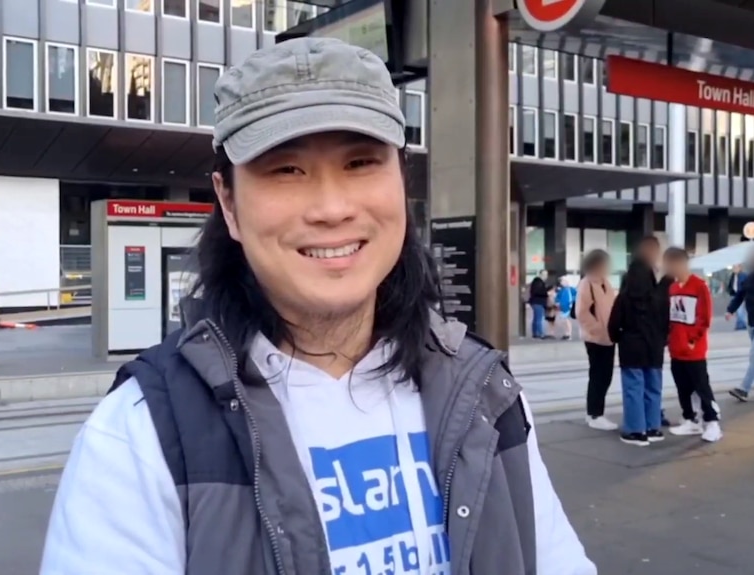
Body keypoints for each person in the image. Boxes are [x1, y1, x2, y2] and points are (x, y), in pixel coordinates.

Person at [39, 38, 596, 575]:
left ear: (401, 181)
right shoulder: (141, 437)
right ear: (228, 203)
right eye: (286, 169)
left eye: (360, 163)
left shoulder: (484, 396)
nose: (332, 208)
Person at [608, 236, 667, 446]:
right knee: (653, 387)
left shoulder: (623, 298)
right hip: (654, 348)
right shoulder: (659, 297)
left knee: (633, 387)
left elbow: (613, 325)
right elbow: (666, 323)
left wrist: (618, 338)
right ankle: (653, 428)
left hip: (631, 348)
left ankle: (635, 431)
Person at [662, 248, 722, 442]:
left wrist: (692, 340)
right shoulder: (672, 288)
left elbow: (704, 318)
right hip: (676, 349)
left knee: (701, 386)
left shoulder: (699, 286)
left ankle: (712, 422)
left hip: (693, 350)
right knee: (683, 387)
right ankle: (690, 419)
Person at [575, 250, 617, 431]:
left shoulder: (605, 283)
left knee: (605, 376)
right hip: (595, 338)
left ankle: (596, 412)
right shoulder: (587, 284)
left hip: (609, 337)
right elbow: (581, 312)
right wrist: (598, 329)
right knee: (598, 376)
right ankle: (594, 413)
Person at [726, 250, 754, 402]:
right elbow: (740, 295)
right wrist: (730, 310)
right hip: (752, 323)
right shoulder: (750, 278)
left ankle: (743, 389)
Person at [529, 270, 550, 339]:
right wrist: (546, 293)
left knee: (536, 318)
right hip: (538, 302)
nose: (546, 276)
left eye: (546, 275)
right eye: (544, 274)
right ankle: (540, 333)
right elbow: (538, 292)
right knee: (539, 319)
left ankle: (535, 333)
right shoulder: (538, 282)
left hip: (535, 302)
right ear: (540, 274)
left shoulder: (537, 282)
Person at [727, 264, 747, 330]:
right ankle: (740, 324)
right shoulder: (733, 276)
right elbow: (731, 284)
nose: (734, 269)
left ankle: (741, 324)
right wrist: (730, 291)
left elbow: (743, 286)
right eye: (733, 267)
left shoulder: (743, 275)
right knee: (738, 311)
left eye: (736, 267)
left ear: (740, 268)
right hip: (735, 294)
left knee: (740, 310)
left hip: (740, 295)